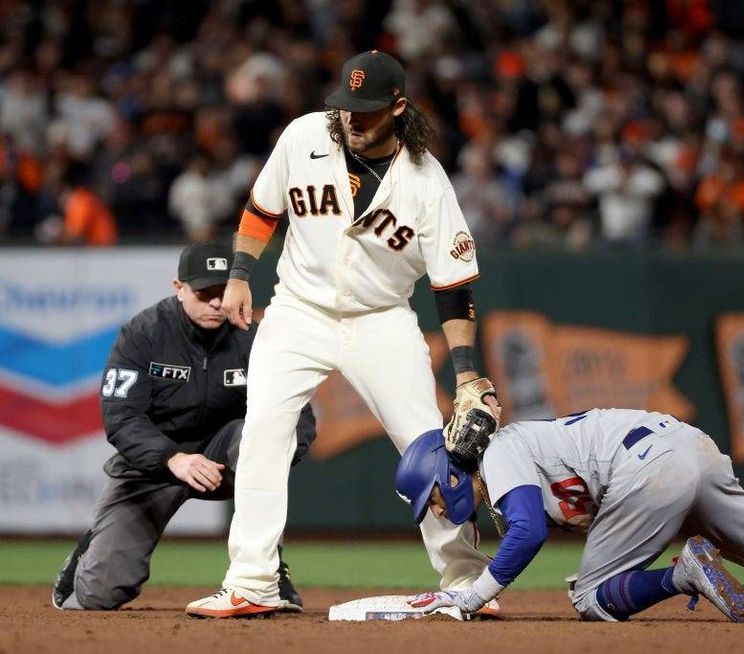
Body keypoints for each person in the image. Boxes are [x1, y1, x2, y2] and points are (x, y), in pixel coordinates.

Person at [186, 50, 498, 618]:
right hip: (297, 311)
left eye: (368, 110)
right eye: (346, 106)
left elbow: (452, 285)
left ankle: (467, 580)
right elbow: (262, 209)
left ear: (398, 109)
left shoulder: (427, 183)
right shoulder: (305, 135)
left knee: (430, 449)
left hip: (382, 320)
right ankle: (251, 582)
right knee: (262, 434)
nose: (352, 119)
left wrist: (467, 369)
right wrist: (238, 276)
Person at [397, 409, 744, 622]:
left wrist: (469, 594)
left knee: (591, 596)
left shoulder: (500, 452)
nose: (438, 509)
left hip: (646, 469)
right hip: (688, 447)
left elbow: (530, 529)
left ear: (445, 474)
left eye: (433, 498)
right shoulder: (507, 460)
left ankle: (682, 574)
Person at [51, 241, 316, 612]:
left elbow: (298, 417)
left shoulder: (256, 338)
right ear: (179, 289)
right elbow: (120, 417)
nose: (215, 302)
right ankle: (91, 550)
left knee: (261, 433)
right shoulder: (144, 333)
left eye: (222, 292)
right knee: (98, 595)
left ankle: (265, 572)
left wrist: (275, 456)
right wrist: (172, 458)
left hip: (225, 456)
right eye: (203, 292)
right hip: (152, 465)